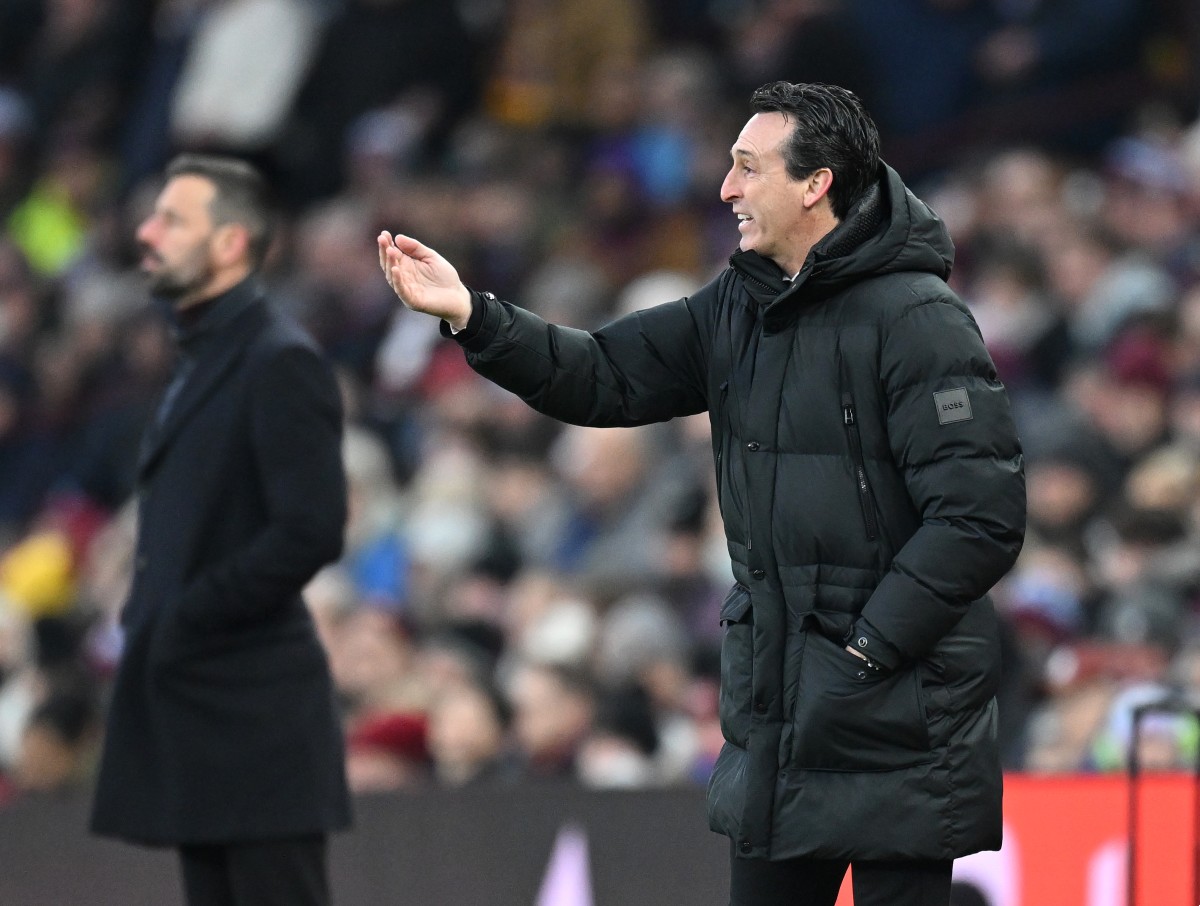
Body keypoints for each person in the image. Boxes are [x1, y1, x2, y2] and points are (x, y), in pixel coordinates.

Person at [379, 81, 1026, 906]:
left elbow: (980, 517)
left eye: (748, 168)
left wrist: (865, 648)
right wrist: (473, 314)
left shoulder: (919, 319)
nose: (726, 189)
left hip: (897, 720)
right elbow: (604, 377)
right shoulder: (739, 306)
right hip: (780, 716)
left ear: (816, 183)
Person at [90, 154, 350, 906]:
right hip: (202, 712)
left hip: (258, 721)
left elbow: (311, 529)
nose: (147, 233)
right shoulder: (201, 360)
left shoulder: (278, 360)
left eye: (172, 219)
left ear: (232, 242)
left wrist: (186, 614)